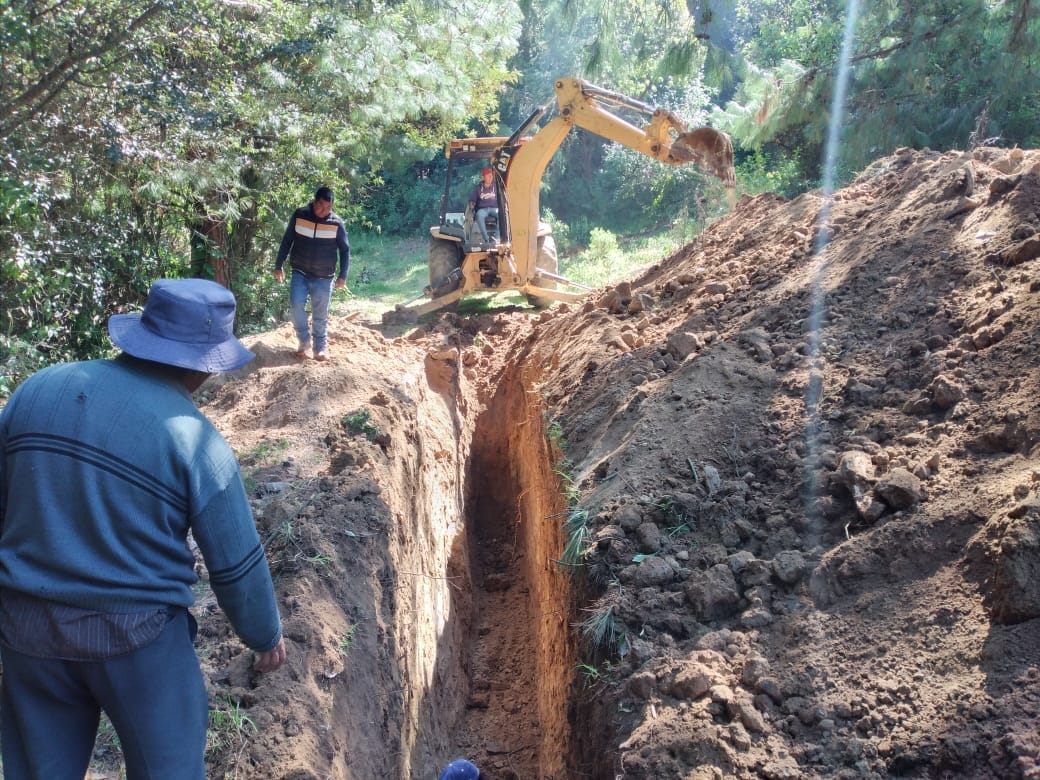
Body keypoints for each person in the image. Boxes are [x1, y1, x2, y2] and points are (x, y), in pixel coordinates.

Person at [0, 278, 286, 779]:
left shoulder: (37, 390)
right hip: (136, 637)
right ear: (204, 364)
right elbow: (235, 562)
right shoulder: (195, 439)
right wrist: (264, 635)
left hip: (26, 629)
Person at [274, 185, 350, 361]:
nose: (325, 211)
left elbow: (345, 250)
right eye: (321, 206)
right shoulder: (300, 215)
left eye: (328, 208)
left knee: (320, 314)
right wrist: (279, 265)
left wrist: (342, 275)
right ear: (314, 202)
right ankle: (304, 340)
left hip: (324, 277)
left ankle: (319, 348)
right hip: (300, 271)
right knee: (295, 305)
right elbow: (287, 240)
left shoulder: (336, 223)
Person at [468, 167, 499, 245]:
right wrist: (472, 204)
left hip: (494, 208)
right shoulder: (478, 188)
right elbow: (472, 200)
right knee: (479, 215)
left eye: (491, 175)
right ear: (483, 177)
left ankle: (497, 238)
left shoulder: (496, 187)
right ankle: (486, 239)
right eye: (488, 175)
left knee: (501, 215)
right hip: (483, 209)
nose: (490, 177)